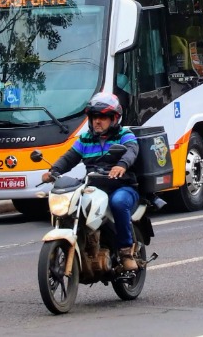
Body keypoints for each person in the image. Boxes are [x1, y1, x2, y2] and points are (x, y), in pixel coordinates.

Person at [41, 92, 141, 270]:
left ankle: (126, 252)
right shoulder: (85, 139)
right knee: (72, 204)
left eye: (103, 117)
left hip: (122, 186)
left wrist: (122, 165)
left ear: (114, 118)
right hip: (94, 186)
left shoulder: (124, 134)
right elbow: (69, 157)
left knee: (118, 203)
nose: (97, 121)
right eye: (94, 117)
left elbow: (131, 150)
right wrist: (53, 171)